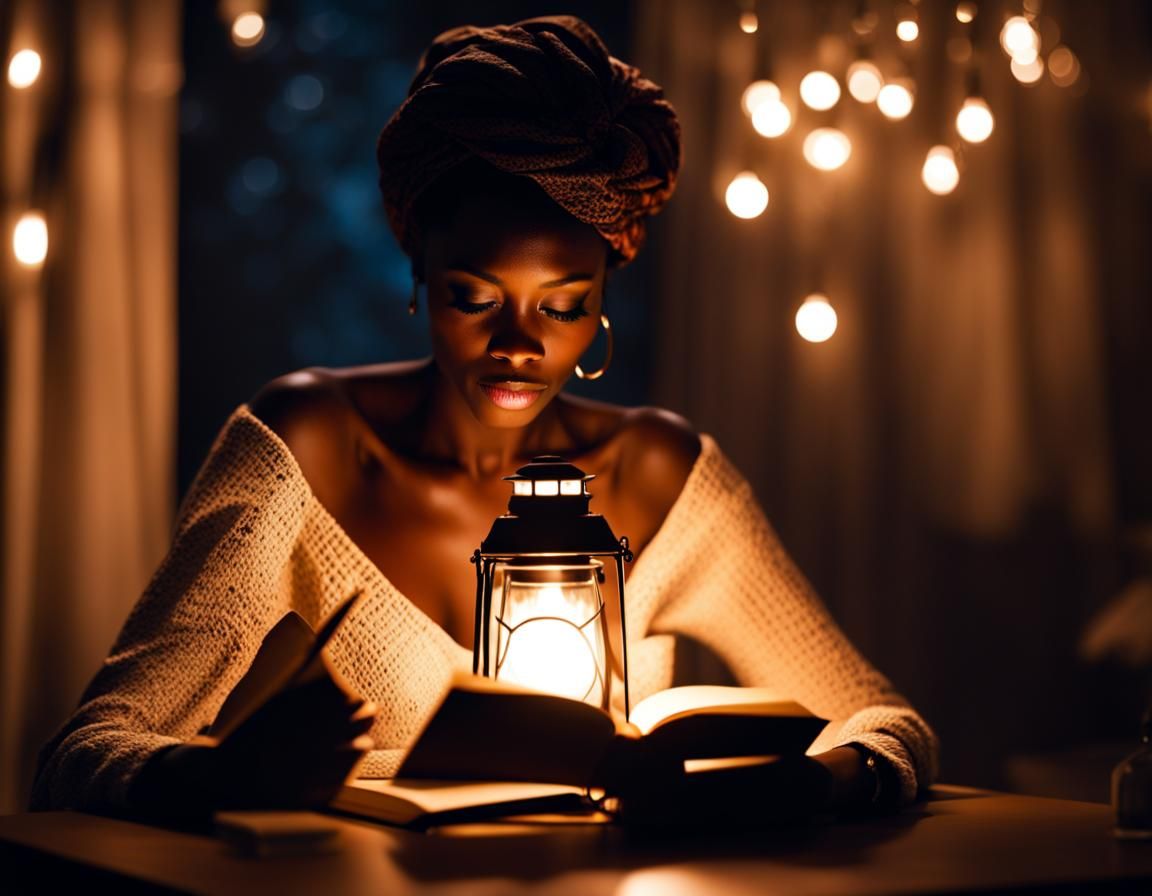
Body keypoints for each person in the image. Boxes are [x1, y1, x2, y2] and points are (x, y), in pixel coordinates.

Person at [31, 16, 937, 821]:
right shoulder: (305, 451)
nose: (519, 344)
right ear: (418, 274)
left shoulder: (665, 477)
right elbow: (85, 753)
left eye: (563, 304)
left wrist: (816, 785)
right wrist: (223, 777)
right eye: (475, 298)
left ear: (603, 298)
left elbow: (887, 721)